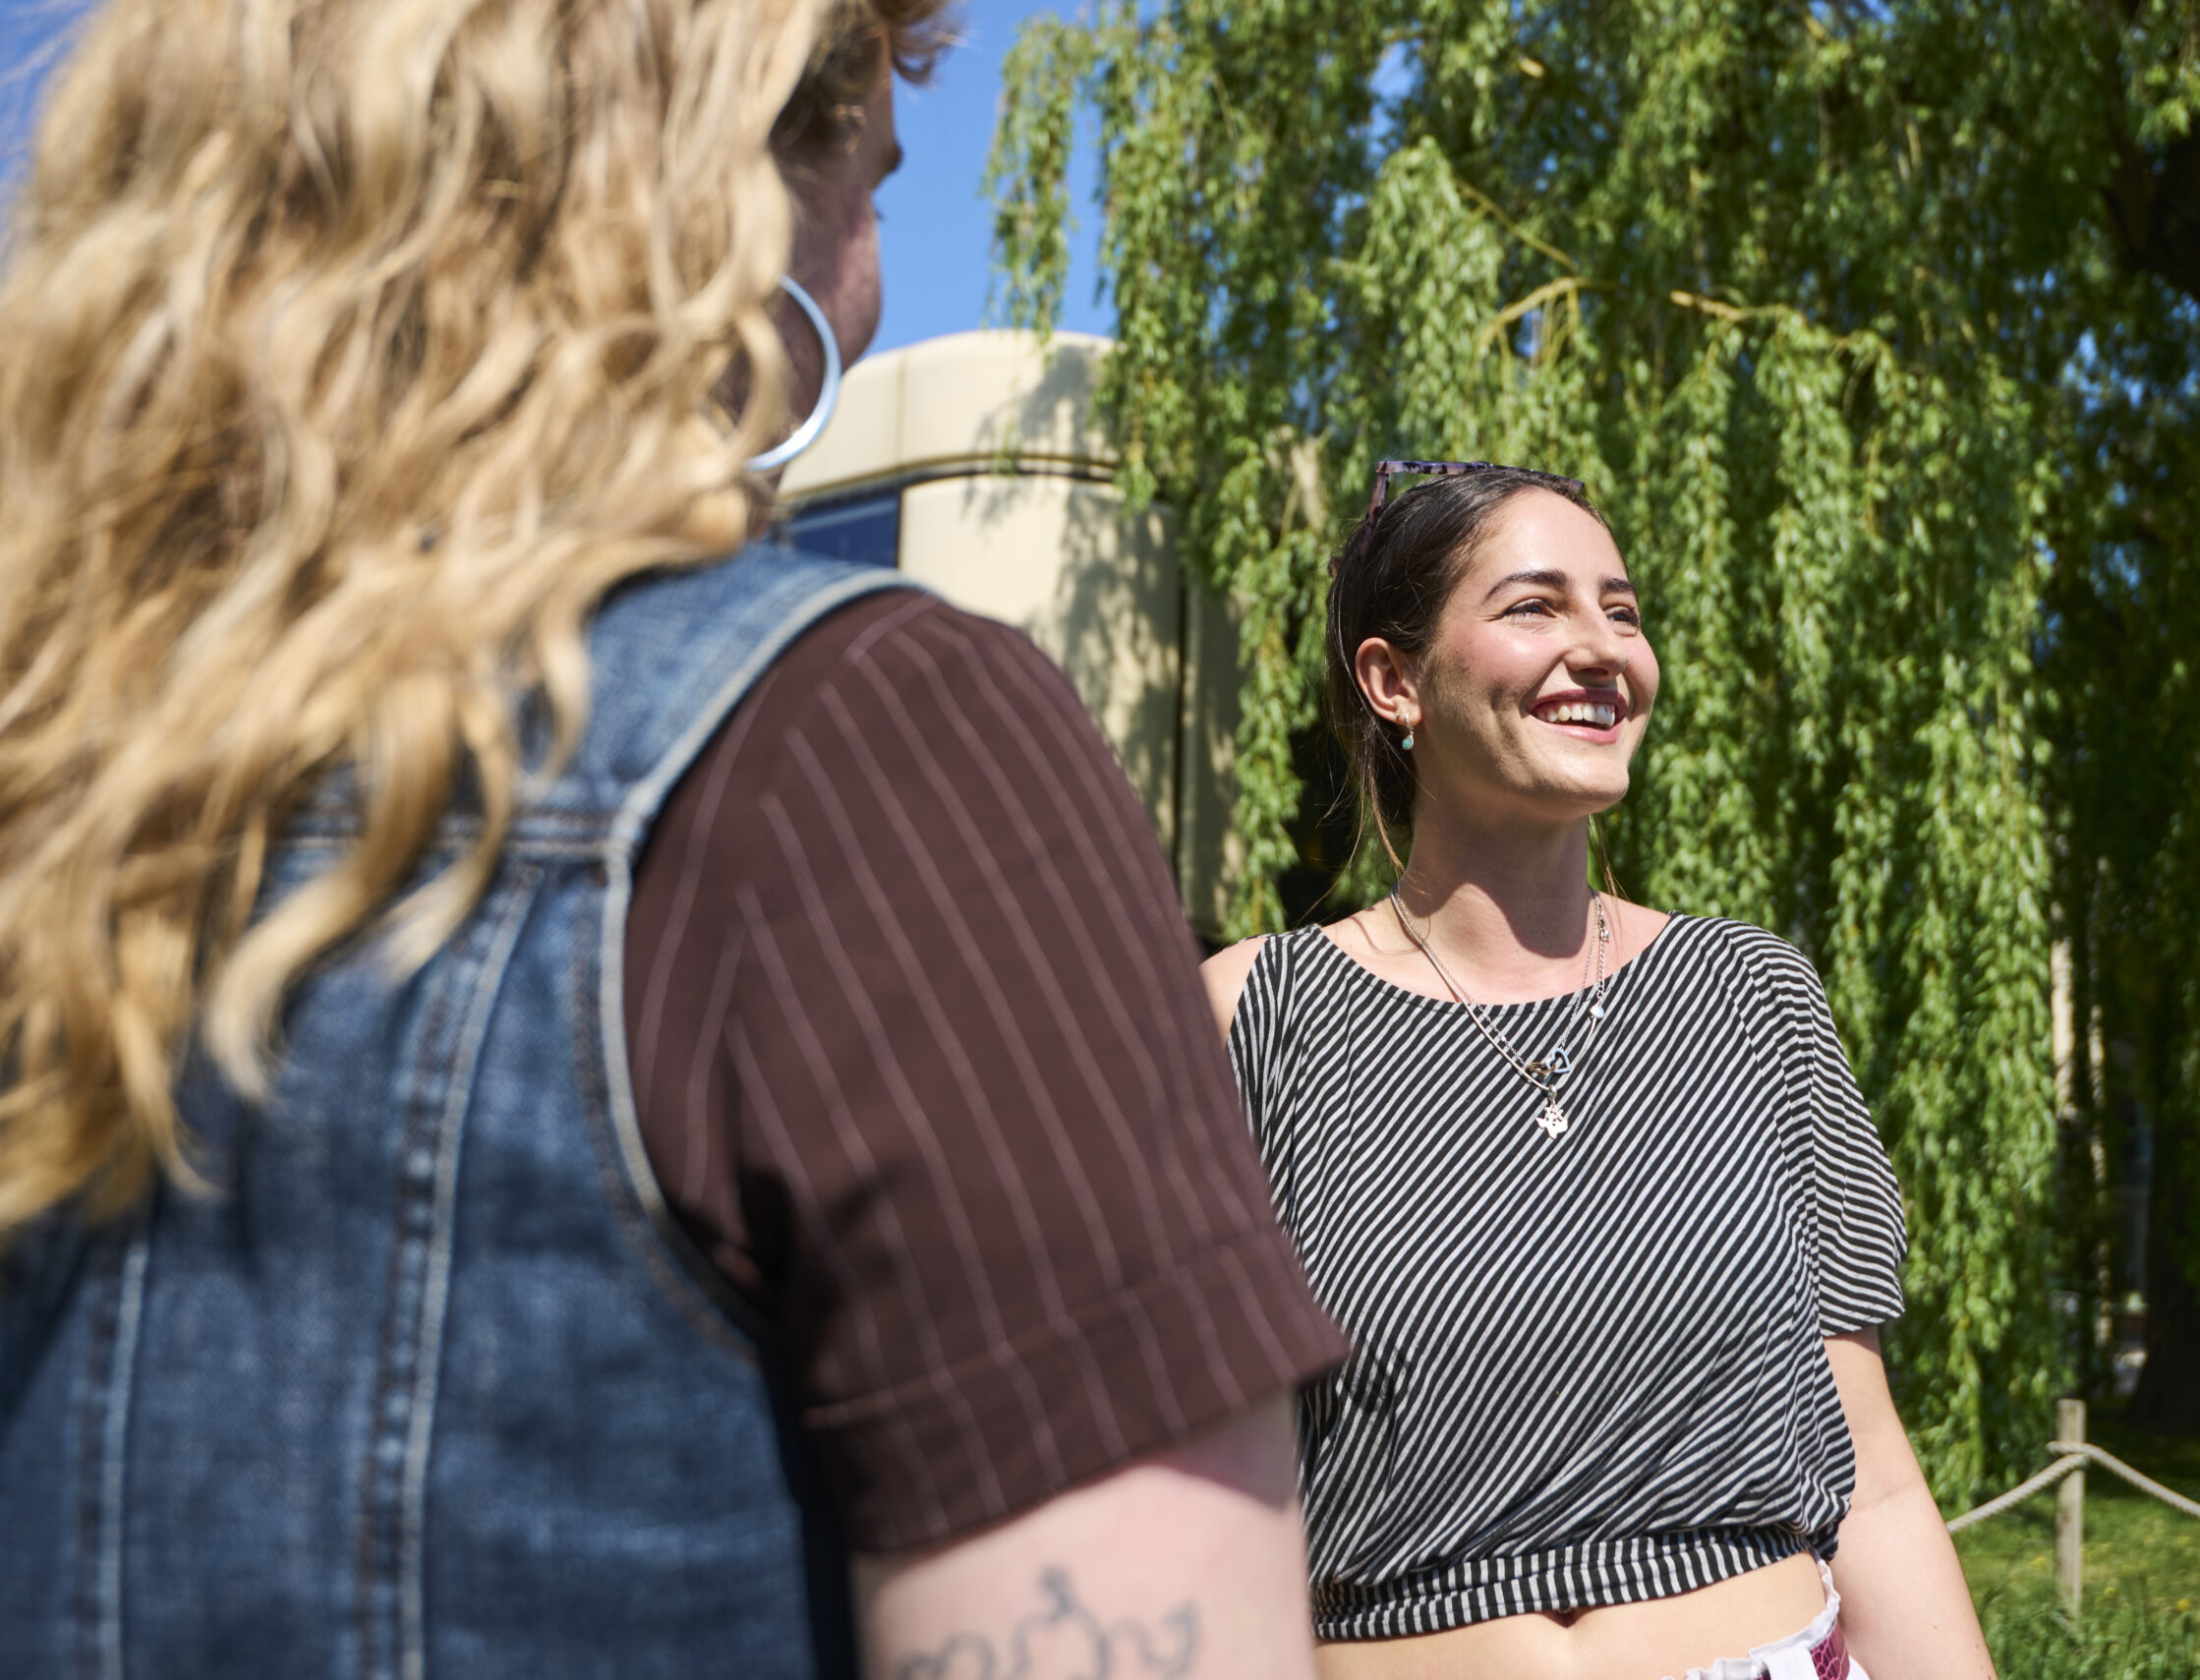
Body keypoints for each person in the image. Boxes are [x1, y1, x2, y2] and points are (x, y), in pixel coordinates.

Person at [0, 3, 1343, 1676]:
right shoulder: (866, 741)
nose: (869, 294)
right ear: (698, 206)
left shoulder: (56, 803)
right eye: (867, 194)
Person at [1201, 461, 1998, 1680]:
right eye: (1534, 606)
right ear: (1393, 680)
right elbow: (1199, 1500)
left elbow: (1872, 1476)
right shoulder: (1254, 1013)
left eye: (1619, 610)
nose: (1601, 648)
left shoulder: (1752, 997)